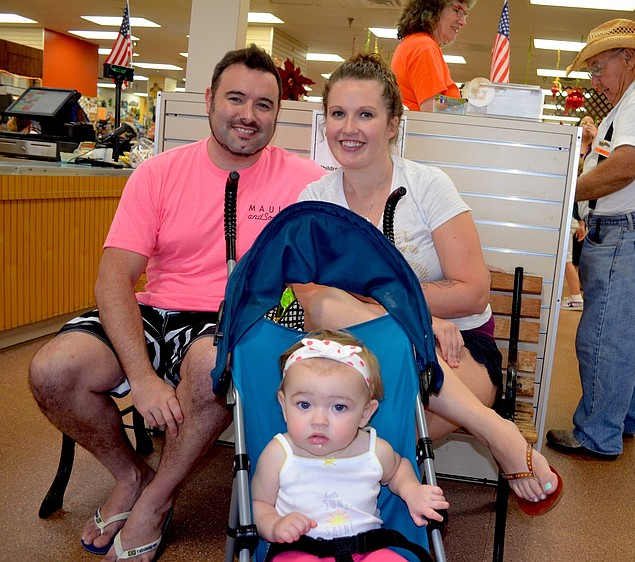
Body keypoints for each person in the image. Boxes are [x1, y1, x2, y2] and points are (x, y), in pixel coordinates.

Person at [28, 44, 325, 561]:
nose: (248, 115)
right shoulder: (158, 173)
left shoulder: (306, 182)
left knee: (213, 367)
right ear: (209, 100)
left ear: (279, 113)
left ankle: (155, 501)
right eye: (235, 98)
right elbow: (114, 281)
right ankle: (130, 474)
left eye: (264, 104)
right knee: (52, 371)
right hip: (156, 311)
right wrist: (142, 378)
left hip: (232, 317)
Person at [296, 52, 562, 514]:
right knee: (328, 317)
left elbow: (473, 292)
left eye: (366, 114)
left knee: (380, 427)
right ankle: (494, 431)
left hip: (455, 352)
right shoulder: (314, 199)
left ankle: (356, 513)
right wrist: (413, 318)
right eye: (338, 113)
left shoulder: (428, 186)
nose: (349, 128)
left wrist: (404, 316)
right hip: (354, 355)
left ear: (394, 123)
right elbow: (312, 301)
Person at [545, 19, 635, 461]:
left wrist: (564, 193)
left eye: (598, 68)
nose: (595, 81)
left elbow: (626, 167)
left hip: (633, 233)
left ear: (629, 56)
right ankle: (622, 419)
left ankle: (597, 434)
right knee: (633, 335)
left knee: (605, 335)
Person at [253, 330, 448, 561]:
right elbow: (259, 503)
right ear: (284, 406)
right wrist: (275, 525)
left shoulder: (373, 450)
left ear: (365, 414)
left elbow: (398, 469)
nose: (319, 421)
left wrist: (412, 490)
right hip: (300, 548)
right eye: (304, 404)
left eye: (338, 407)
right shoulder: (279, 453)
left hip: (368, 548)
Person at [391, 0, 476, 111]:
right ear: (434, 9)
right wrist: (473, 110)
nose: (463, 22)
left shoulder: (414, 43)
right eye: (457, 10)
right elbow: (432, 112)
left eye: (465, 14)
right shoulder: (425, 47)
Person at [561, 115, 598, 311]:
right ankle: (574, 293)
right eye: (583, 122)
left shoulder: (597, 153)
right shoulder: (572, 148)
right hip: (571, 207)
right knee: (570, 258)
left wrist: (583, 221)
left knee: (570, 258)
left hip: (582, 211)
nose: (587, 125)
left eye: (591, 123)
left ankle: (576, 296)